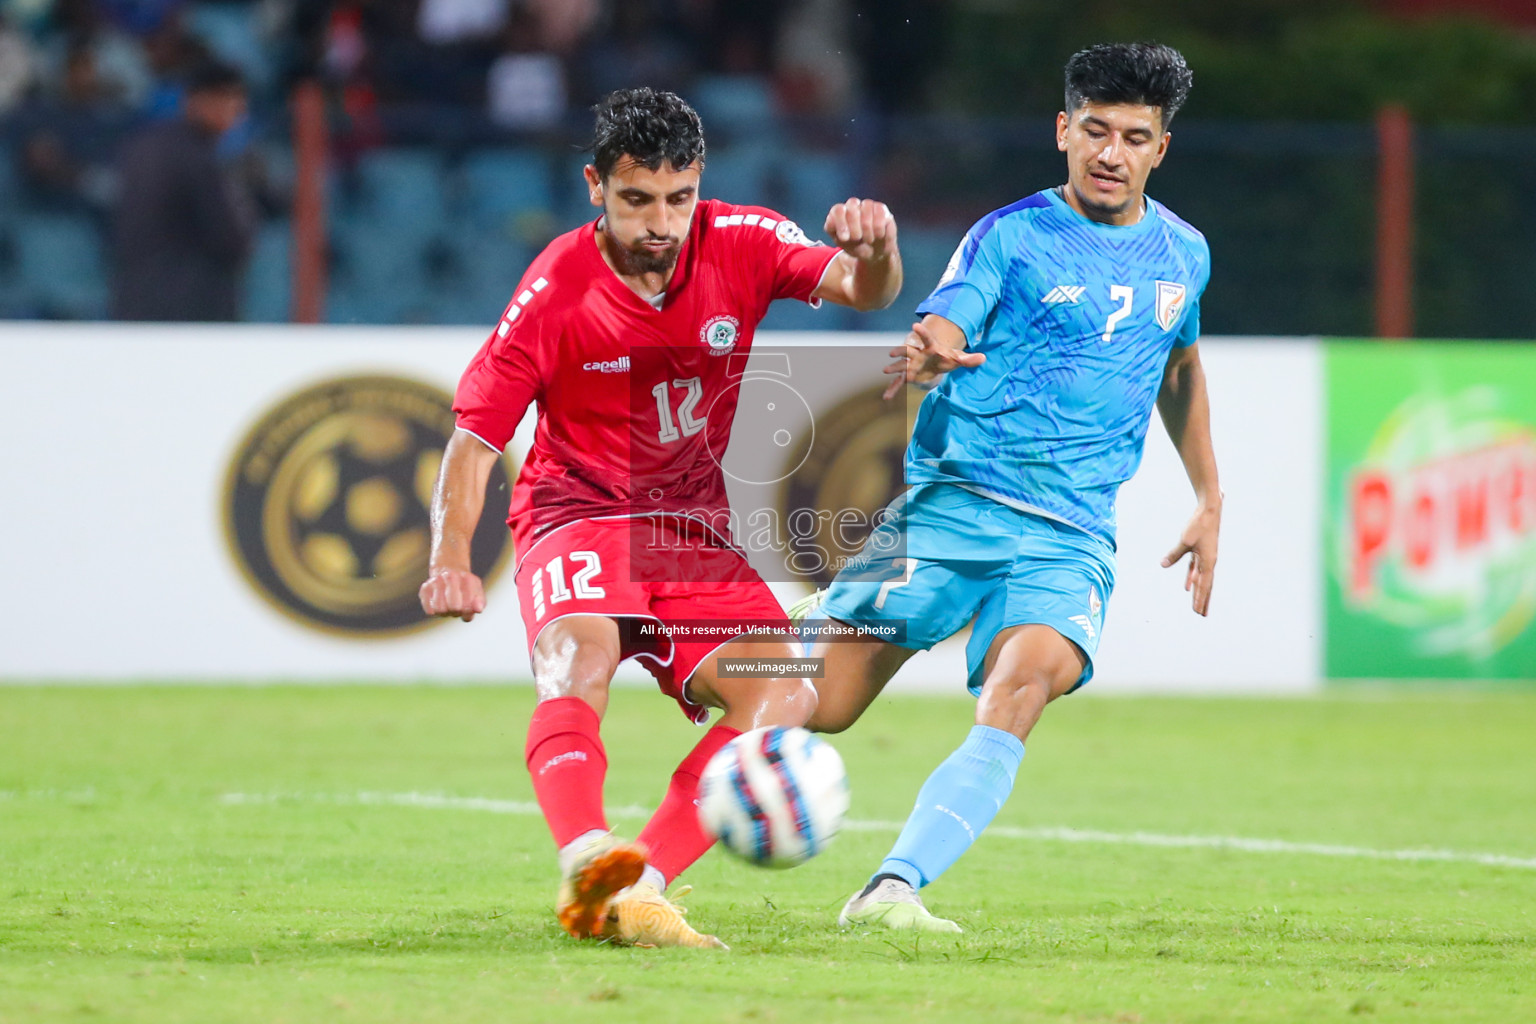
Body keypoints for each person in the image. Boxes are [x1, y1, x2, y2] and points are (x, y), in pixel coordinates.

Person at [418, 87, 902, 949]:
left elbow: (865, 291)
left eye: (678, 198)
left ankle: (637, 886)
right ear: (594, 187)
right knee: (581, 654)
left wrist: (878, 253)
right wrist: (451, 552)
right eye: (637, 199)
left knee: (787, 689)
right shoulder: (554, 292)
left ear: (699, 186)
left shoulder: (742, 241)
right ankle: (586, 857)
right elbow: (474, 438)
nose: (661, 223)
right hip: (580, 509)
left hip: (691, 529)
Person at [798, 42, 1219, 932]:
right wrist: (932, 345)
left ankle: (893, 888)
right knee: (816, 703)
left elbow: (1178, 369)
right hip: (953, 508)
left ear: (1160, 150)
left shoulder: (1186, 254)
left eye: (1134, 137)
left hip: (1069, 536)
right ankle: (698, 682)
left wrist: (1209, 497)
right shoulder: (1010, 233)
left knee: (1022, 689)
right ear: (1064, 131)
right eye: (1095, 131)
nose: (1112, 153)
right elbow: (943, 318)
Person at [110, 59, 255, 321]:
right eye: (228, 99)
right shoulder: (198, 158)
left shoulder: (143, 146)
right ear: (198, 100)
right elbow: (231, 238)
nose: (237, 110)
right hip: (192, 307)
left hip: (134, 300)